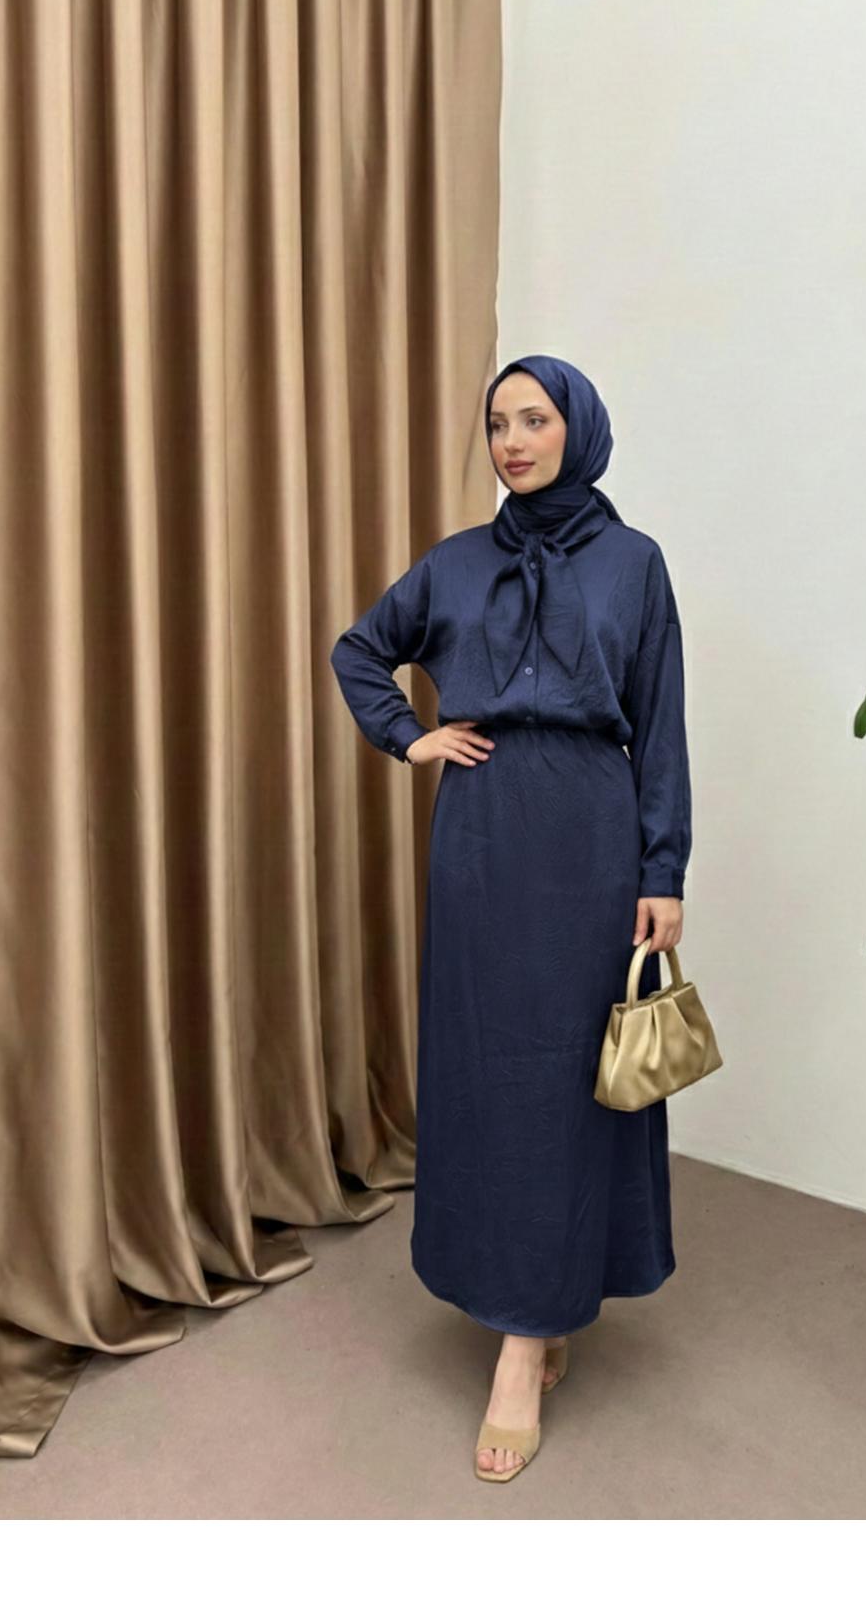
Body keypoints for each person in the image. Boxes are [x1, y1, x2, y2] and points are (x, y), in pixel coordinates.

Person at [332, 355, 691, 1482]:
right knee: (493, 1073)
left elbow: (660, 724)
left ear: (578, 428)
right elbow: (359, 650)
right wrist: (412, 736)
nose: (513, 441)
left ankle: (532, 1331)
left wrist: (665, 867)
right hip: (483, 840)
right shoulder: (454, 563)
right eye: (497, 423)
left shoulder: (635, 565)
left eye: (535, 419)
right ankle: (525, 1314)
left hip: (590, 837)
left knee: (572, 1075)